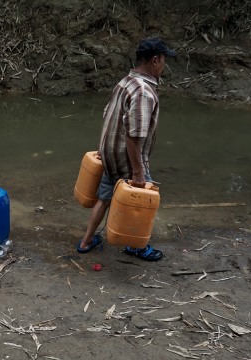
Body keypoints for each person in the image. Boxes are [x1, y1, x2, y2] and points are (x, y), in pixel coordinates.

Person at [76, 37, 176, 261]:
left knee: (104, 198)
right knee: (142, 201)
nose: (164, 66)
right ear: (155, 60)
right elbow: (134, 135)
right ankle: (137, 246)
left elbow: (107, 116)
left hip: (110, 155)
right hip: (128, 159)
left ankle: (86, 241)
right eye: (163, 61)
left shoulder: (126, 82)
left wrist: (104, 148)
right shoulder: (143, 91)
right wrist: (138, 172)